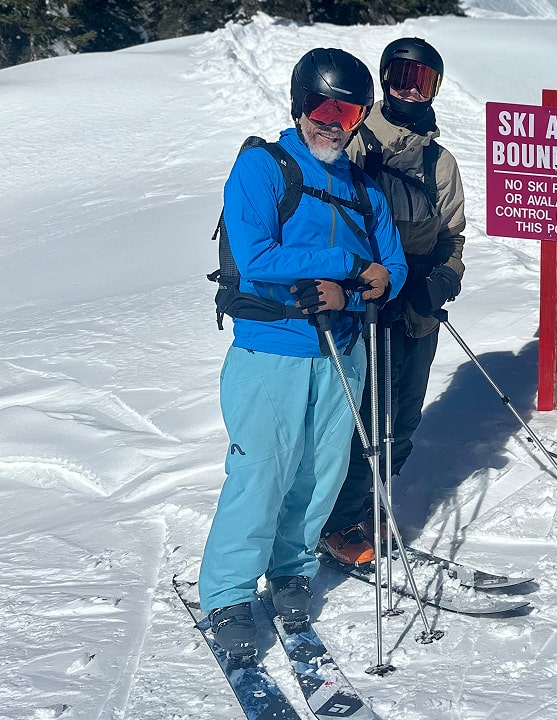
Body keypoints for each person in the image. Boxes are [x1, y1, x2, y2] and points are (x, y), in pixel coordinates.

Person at [198, 47, 408, 659]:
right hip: (271, 351)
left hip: (341, 351)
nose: (332, 120)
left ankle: (289, 568)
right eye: (321, 105)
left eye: (347, 110)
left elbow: (389, 267)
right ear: (299, 104)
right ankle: (229, 593)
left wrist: (354, 290)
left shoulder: (364, 189)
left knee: (321, 474)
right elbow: (257, 255)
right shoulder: (263, 167)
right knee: (261, 472)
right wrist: (345, 267)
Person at [320, 37, 468, 564]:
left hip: (417, 309)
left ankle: (369, 505)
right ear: (384, 79)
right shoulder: (358, 141)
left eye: (421, 79)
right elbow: (330, 217)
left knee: (404, 418)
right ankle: (338, 521)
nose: (409, 86)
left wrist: (444, 278)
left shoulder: (440, 162)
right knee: (366, 416)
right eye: (400, 75)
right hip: (367, 307)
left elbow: (453, 236)